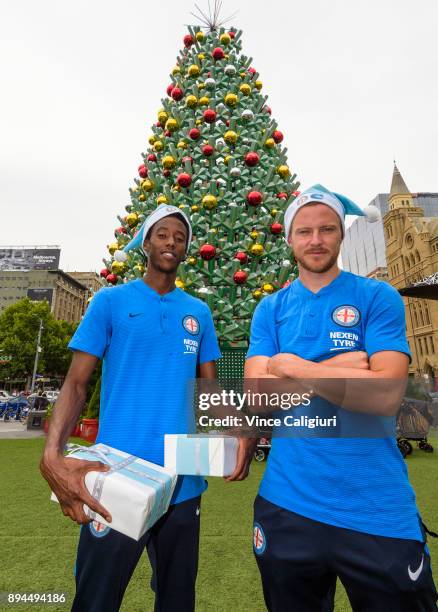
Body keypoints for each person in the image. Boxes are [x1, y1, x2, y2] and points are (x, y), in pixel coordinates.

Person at [40, 205, 254, 612]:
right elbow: (76, 382)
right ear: (145, 242)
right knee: (96, 599)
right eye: (162, 233)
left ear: (187, 248)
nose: (171, 241)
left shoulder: (198, 312)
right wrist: (52, 451)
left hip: (183, 485)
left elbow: (210, 388)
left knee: (177, 601)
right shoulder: (110, 302)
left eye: (180, 236)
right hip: (115, 477)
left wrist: (240, 429)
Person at [245, 185, 438, 612]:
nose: (316, 240)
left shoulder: (377, 296)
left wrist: (293, 366)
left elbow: (386, 394)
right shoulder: (271, 309)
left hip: (376, 508)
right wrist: (349, 368)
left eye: (327, 229)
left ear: (341, 234)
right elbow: (257, 398)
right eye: (305, 231)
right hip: (287, 504)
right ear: (290, 239)